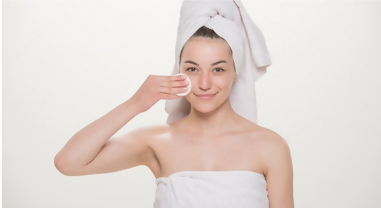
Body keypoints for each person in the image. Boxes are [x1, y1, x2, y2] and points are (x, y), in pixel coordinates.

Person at [54, 1, 294, 207]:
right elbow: (69, 162)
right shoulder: (157, 142)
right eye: (192, 69)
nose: (204, 83)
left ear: (235, 71)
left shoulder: (270, 146)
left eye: (218, 69)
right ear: (178, 71)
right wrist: (136, 103)